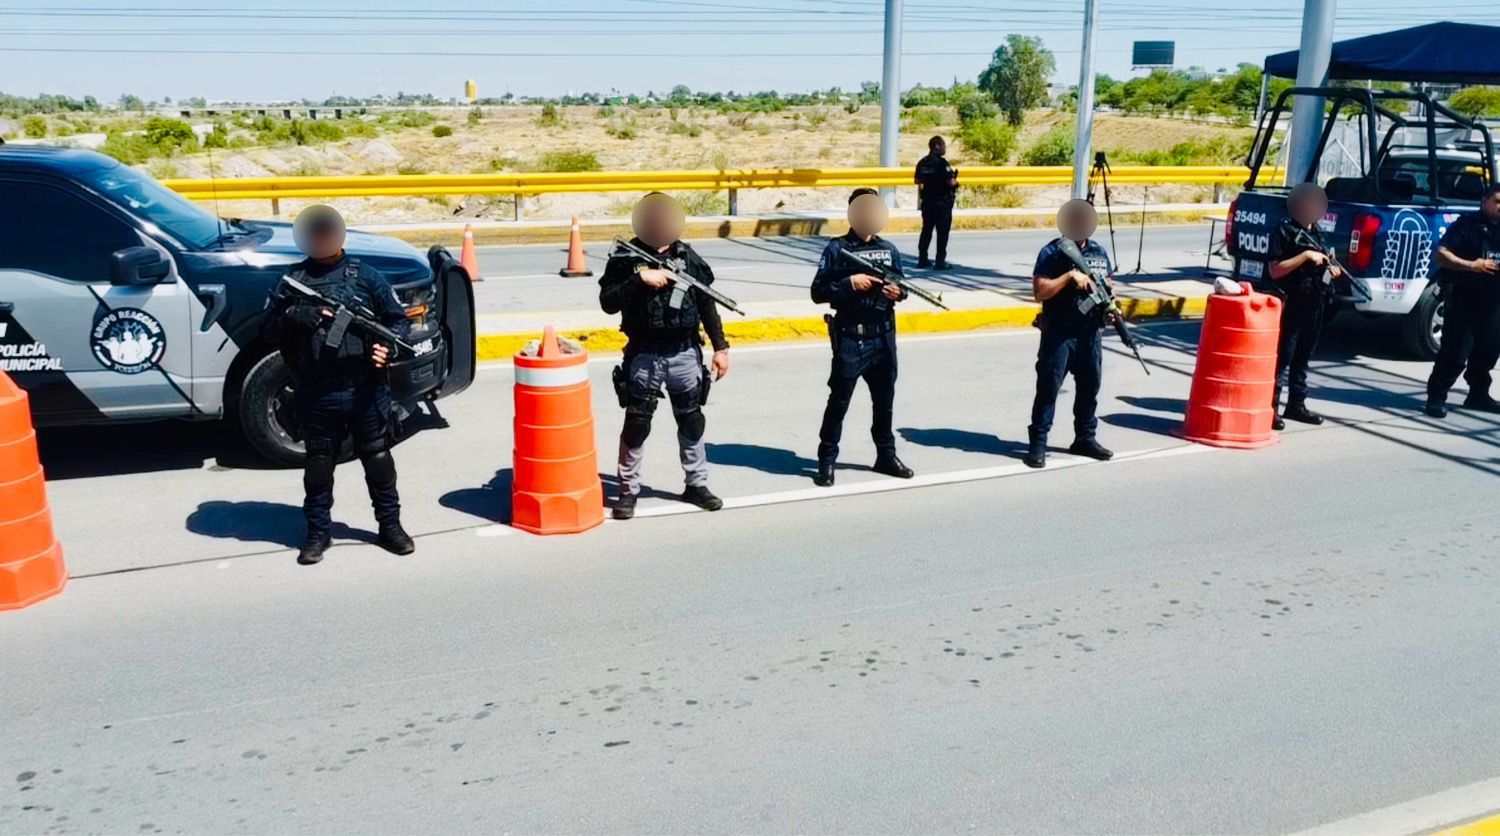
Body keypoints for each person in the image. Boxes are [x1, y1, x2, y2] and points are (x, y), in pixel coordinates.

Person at [260, 204, 414, 565]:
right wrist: (297, 316)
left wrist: (388, 348)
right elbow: (266, 330)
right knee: (318, 465)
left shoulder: (367, 277)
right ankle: (318, 532)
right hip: (317, 390)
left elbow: (398, 322)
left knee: (377, 458)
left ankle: (390, 527)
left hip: (365, 387)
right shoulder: (292, 282)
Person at [599, 192, 731, 520]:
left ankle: (696, 485)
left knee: (692, 421)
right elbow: (608, 302)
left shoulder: (688, 257)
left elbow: (707, 304)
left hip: (684, 353)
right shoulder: (624, 257)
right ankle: (627, 491)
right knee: (636, 425)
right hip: (644, 355)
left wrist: (720, 347)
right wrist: (638, 279)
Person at [811, 187, 915, 486]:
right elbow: (818, 292)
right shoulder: (837, 249)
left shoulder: (889, 249)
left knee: (884, 402)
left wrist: (898, 292)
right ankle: (826, 460)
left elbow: (903, 286)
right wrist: (849, 284)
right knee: (839, 402)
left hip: (883, 338)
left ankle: (886, 455)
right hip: (851, 339)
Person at [1025, 199, 1116, 469]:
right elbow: (1040, 292)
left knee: (1090, 388)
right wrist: (1068, 278)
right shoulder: (1052, 252)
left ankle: (1085, 438)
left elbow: (1109, 284)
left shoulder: (1099, 252)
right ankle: (1038, 444)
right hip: (1060, 333)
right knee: (1049, 388)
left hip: (1091, 332)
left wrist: (1111, 305)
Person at [1266, 182, 1340, 429]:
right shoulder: (1284, 231)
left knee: (1303, 357)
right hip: (1292, 299)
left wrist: (1332, 268)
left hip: (1315, 300)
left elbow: (1329, 261)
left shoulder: (1318, 232)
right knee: (1283, 357)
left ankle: (1296, 404)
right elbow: (1275, 270)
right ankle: (1270, 407)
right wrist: (1306, 256)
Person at [1424, 183, 1500, 418]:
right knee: (1455, 353)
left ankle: (1478, 395)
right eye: (1497, 201)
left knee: (1487, 352)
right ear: (1485, 201)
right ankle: (1436, 397)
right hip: (1465, 299)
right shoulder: (1466, 225)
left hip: (1494, 302)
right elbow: (1441, 254)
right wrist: (1472, 265)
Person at [914, 135, 958, 270]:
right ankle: (940, 261)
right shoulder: (942, 164)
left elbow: (917, 180)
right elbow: (951, 182)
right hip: (942, 203)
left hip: (927, 202)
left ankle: (922, 259)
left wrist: (930, 180)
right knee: (942, 233)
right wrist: (955, 182)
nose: (945, 148)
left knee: (926, 230)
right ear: (937, 146)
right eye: (943, 145)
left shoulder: (923, 162)